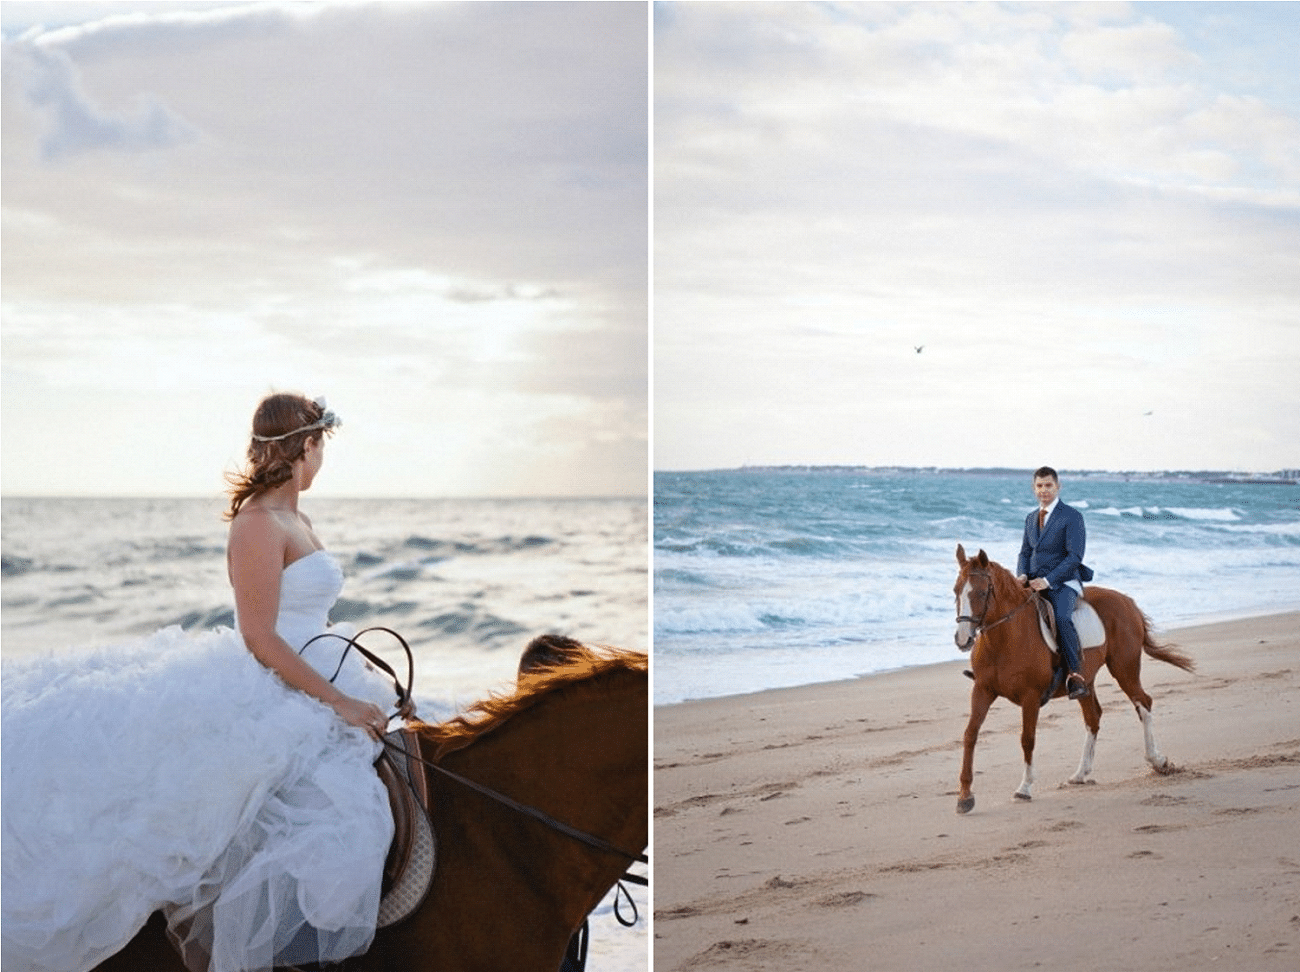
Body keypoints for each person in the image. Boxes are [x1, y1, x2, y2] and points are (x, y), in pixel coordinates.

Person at [2, 393, 400, 972]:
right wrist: (337, 701)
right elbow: (261, 638)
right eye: (321, 448)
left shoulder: (298, 518)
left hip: (317, 663)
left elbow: (305, 615)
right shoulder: (258, 524)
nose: (322, 461)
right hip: (272, 678)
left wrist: (351, 673)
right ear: (306, 447)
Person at [1016, 466, 1093, 700]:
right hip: (1033, 581)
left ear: (1058, 487)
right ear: (1033, 489)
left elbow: (1074, 557)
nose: (1043, 490)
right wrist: (1021, 575)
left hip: (1064, 582)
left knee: (1061, 618)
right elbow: (1025, 553)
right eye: (1039, 486)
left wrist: (1048, 581)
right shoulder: (1030, 518)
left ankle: (1075, 675)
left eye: (1048, 485)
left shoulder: (1071, 516)